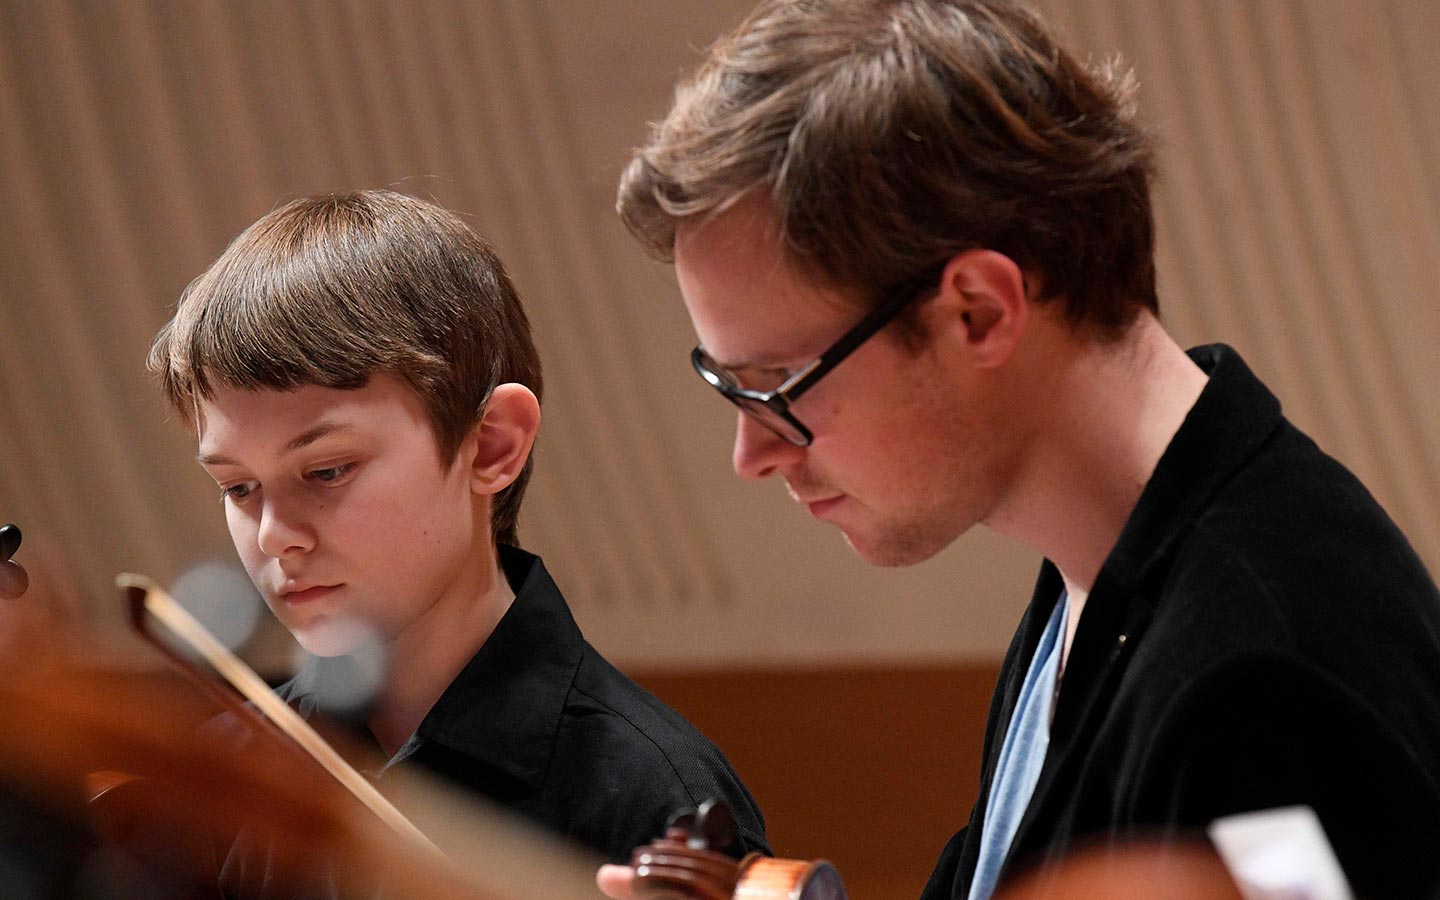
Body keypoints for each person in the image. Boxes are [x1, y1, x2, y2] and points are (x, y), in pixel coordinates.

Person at [601, 1, 1440, 897]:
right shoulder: (1101, 560)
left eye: (779, 380)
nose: (751, 452)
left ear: (980, 312)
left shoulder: (1262, 687)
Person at [146, 189, 768, 895]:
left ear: (491, 446)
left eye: (325, 470)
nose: (273, 536)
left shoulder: (655, 800)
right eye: (238, 488)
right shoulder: (232, 774)